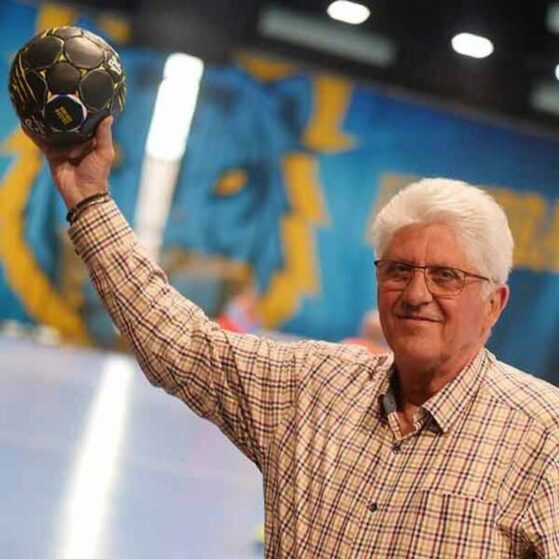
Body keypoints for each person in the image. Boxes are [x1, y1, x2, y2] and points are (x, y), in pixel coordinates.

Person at [29, 118, 559, 557]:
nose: (416, 294)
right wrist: (89, 200)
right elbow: (182, 343)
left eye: (446, 276)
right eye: (399, 270)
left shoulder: (544, 440)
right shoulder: (311, 388)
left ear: (494, 304)